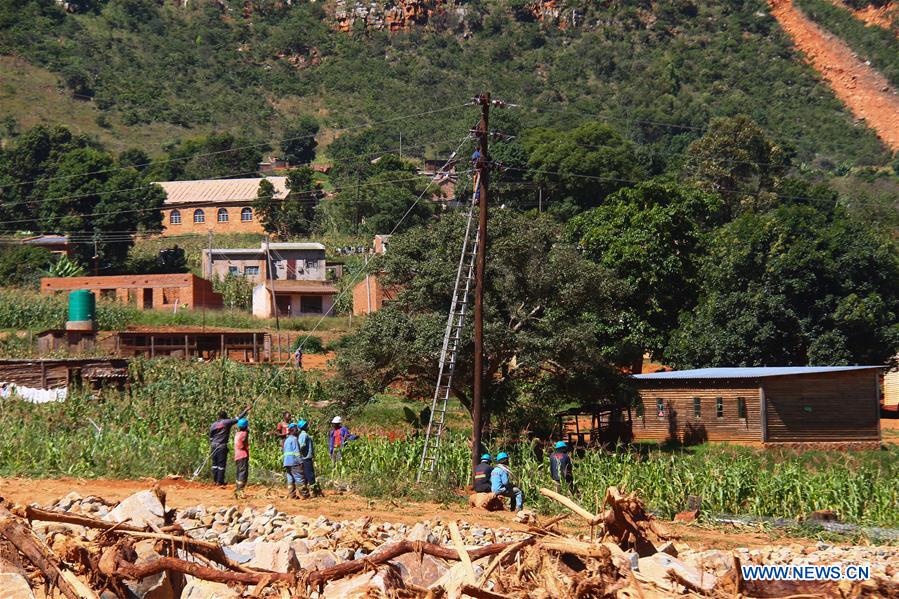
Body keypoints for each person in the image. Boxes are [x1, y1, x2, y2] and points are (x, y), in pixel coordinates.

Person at [208, 405, 250, 486]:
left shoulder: (213, 425)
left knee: (214, 464)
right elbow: (238, 418)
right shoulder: (226, 422)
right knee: (221, 464)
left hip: (213, 445)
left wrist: (212, 443)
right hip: (221, 445)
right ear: (225, 416)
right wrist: (246, 410)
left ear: (218, 417)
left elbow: (210, 437)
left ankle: (215, 480)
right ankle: (220, 481)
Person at [297, 420, 323, 498]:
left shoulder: (303, 434)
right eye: (306, 425)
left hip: (306, 457)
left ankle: (308, 492)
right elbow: (302, 446)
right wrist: (300, 455)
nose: (308, 426)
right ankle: (313, 492)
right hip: (306, 458)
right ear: (304, 427)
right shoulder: (303, 435)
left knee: (307, 475)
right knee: (310, 475)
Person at [283, 423, 304, 499]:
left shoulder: (287, 440)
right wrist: (301, 462)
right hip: (294, 462)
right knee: (299, 477)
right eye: (296, 429)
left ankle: (292, 495)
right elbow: (297, 452)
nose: (297, 430)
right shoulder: (294, 439)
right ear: (292, 430)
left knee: (290, 479)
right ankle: (304, 494)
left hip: (286, 462)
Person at [233, 418, 250, 498]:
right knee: (243, 473)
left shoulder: (237, 433)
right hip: (243, 455)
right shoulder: (244, 434)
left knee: (238, 472)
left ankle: (237, 489)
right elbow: (242, 444)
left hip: (237, 455)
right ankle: (240, 490)